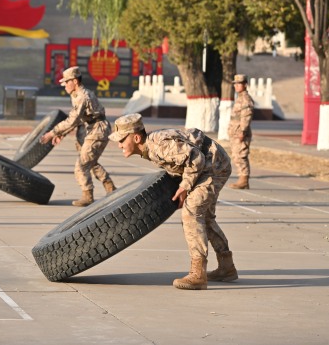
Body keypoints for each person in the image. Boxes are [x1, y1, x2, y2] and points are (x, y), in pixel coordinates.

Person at [109, 113, 238, 291]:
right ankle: (226, 267)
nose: (119, 145)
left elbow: (196, 158)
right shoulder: (151, 147)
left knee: (192, 212)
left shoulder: (158, 146)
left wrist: (185, 186)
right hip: (205, 166)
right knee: (205, 218)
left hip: (213, 166)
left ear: (136, 137)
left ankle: (198, 274)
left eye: (122, 140)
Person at [39, 66, 116, 207]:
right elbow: (78, 118)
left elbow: (73, 120)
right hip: (90, 128)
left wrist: (52, 133)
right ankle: (111, 189)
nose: (65, 86)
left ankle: (88, 196)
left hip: (97, 129)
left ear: (75, 81)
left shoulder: (82, 96)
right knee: (90, 162)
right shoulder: (76, 95)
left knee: (81, 165)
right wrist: (62, 133)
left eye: (66, 82)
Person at [227, 74, 254, 190]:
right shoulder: (240, 98)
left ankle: (244, 180)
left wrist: (242, 131)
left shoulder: (246, 100)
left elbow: (246, 117)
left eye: (239, 84)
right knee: (236, 155)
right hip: (235, 132)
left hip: (241, 132)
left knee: (241, 155)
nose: (236, 86)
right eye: (235, 84)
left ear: (245, 85)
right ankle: (242, 178)